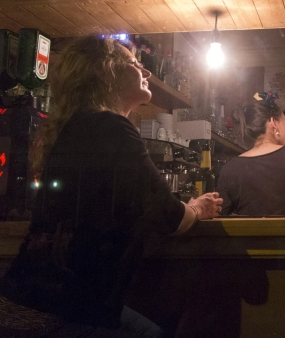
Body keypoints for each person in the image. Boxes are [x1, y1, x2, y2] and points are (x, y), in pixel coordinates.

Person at [0, 36, 222, 337]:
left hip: (35, 298)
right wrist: (197, 208)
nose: (147, 73)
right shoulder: (110, 127)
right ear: (107, 72)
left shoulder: (80, 125)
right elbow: (169, 216)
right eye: (135, 64)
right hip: (56, 311)